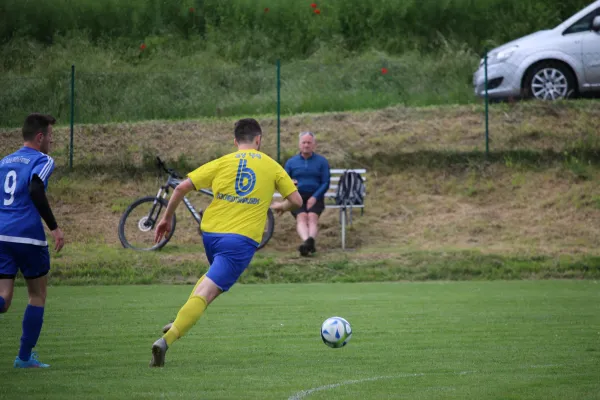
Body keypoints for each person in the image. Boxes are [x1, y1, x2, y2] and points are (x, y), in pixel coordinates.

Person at [149, 118, 302, 367]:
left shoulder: (223, 162)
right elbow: (297, 200)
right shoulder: (272, 166)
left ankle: (179, 319)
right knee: (209, 291)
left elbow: (180, 189)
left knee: (211, 280)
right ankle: (167, 340)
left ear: (235, 141)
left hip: (211, 236)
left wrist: (165, 219)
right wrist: (283, 207)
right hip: (239, 242)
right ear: (259, 140)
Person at [0, 113, 65, 368]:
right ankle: (24, 358)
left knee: (3, 299)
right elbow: (35, 188)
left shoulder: (4, 161)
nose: (51, 141)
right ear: (40, 137)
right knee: (37, 295)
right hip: (27, 235)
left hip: (1, 234)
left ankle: (25, 358)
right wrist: (55, 227)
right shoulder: (43, 160)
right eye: (50, 135)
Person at [284, 131, 330, 256]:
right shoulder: (291, 162)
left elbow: (326, 182)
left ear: (314, 145)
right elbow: (284, 181)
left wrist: (315, 197)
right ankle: (308, 243)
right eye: (303, 142)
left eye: (309, 142)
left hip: (316, 196)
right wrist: (290, 183)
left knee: (312, 217)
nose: (306, 145)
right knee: (302, 217)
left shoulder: (322, 162)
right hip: (297, 197)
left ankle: (307, 244)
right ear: (299, 144)